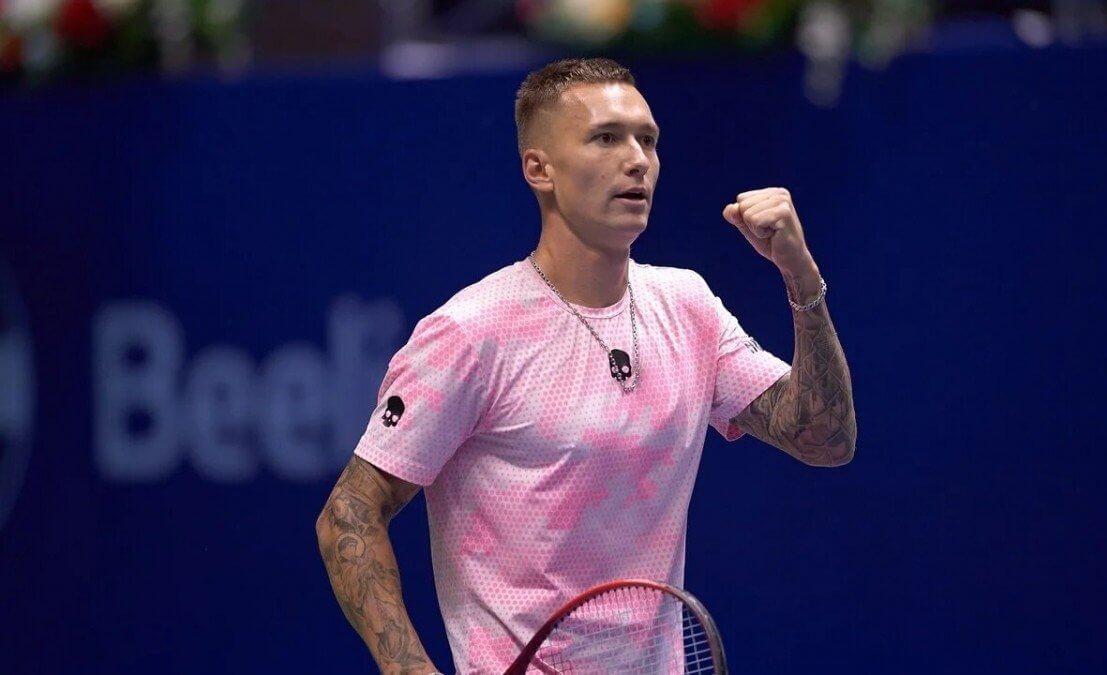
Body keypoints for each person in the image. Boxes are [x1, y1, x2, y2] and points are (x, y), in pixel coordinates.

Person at [315, 57, 857, 675]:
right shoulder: (471, 333)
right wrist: (409, 669)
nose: (637, 160)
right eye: (606, 138)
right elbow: (349, 512)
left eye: (648, 140)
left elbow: (823, 439)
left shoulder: (689, 306)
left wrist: (801, 277)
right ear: (539, 169)